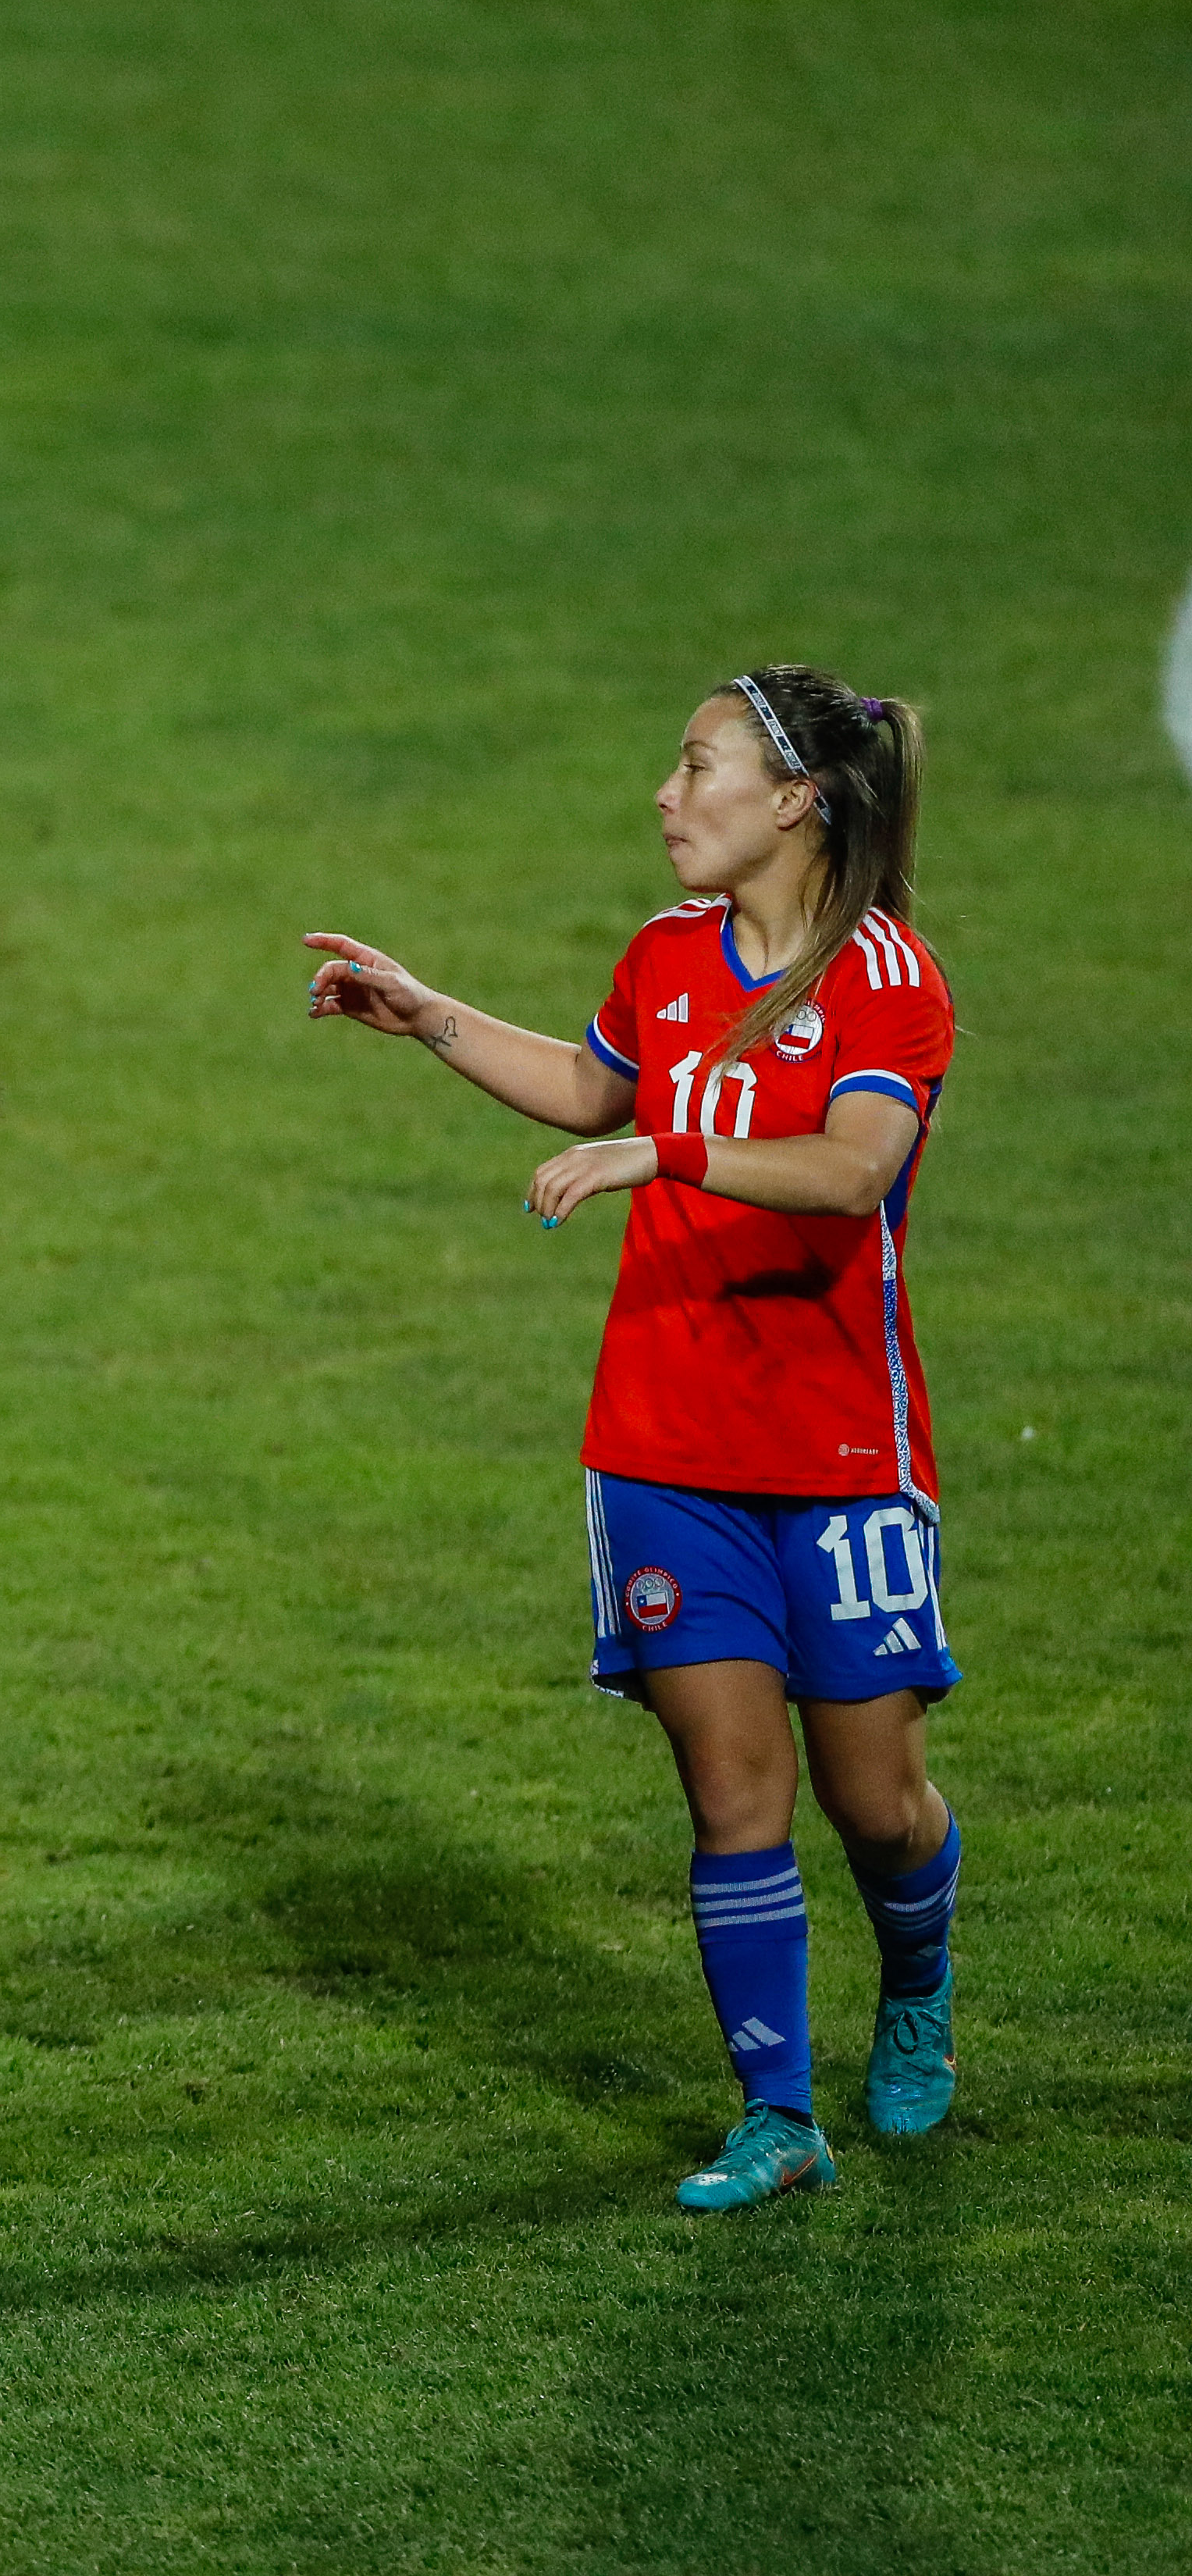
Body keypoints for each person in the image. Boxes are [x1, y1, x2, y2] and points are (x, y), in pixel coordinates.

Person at [306, 668, 959, 2213]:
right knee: (733, 1793)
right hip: (663, 1450)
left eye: (698, 766)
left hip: (842, 1460)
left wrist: (660, 1151)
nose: (668, 796)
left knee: (874, 1801)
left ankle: (918, 1978)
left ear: (796, 798)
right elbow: (594, 1084)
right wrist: (430, 1015)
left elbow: (850, 1172)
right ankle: (777, 2114)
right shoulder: (668, 955)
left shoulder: (888, 980)